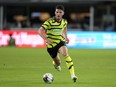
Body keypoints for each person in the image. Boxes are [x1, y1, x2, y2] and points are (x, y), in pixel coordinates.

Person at [38, 5, 77, 82]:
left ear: (63, 13)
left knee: (65, 54)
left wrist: (66, 37)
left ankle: (73, 75)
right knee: (58, 62)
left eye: (60, 12)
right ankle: (55, 65)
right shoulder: (49, 21)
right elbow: (39, 31)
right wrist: (46, 39)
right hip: (51, 45)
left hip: (60, 41)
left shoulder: (64, 21)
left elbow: (65, 28)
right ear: (55, 12)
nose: (58, 13)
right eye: (57, 12)